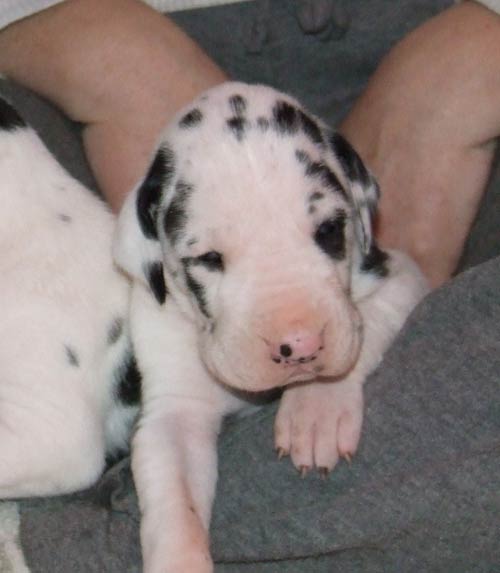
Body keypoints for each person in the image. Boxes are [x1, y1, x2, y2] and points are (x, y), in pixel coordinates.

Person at [0, 1, 499, 571]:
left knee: (407, 305)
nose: (298, 339)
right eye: (211, 257)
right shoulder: (154, 291)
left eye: (327, 230)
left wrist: (345, 375)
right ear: (152, 257)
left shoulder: (357, 257)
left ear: (361, 214)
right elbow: (172, 426)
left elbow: (394, 278)